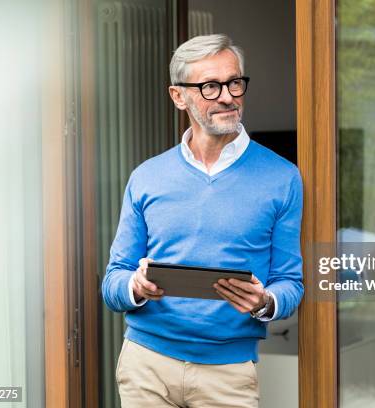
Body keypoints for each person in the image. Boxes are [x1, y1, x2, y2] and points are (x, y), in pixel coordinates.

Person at [101, 34, 304, 408]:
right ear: (179, 96)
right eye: (210, 86)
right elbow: (113, 281)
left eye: (234, 83)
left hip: (228, 375)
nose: (227, 96)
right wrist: (137, 285)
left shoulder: (282, 177)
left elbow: (291, 283)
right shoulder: (147, 177)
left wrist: (265, 302)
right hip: (146, 366)